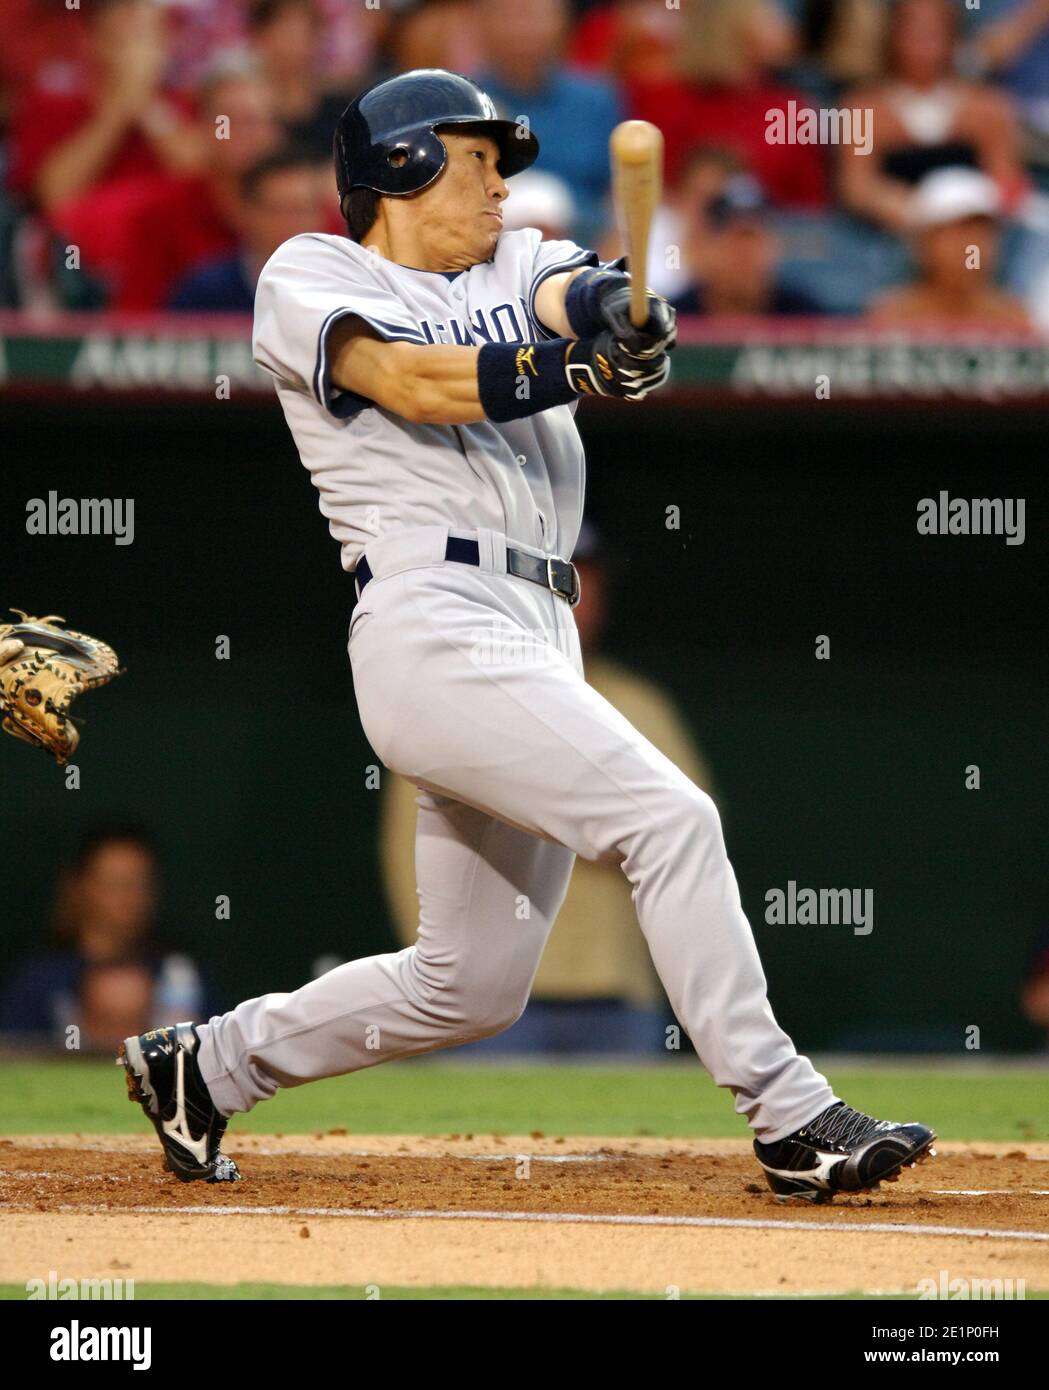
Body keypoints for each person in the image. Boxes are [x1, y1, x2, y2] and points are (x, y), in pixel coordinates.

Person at [118, 68, 935, 1205]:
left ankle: (205, 1065)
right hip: (429, 620)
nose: (498, 184)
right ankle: (788, 1114)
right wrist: (567, 367)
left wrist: (623, 323)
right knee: (670, 817)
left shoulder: (516, 257)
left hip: (534, 627)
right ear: (400, 165)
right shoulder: (308, 273)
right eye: (475, 160)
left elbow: (578, 300)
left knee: (469, 984)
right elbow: (408, 377)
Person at [380, 522, 716, 1055]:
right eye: (558, 581)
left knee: (627, 1139)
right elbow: (414, 849)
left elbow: (686, 842)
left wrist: (533, 814)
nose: (575, 598)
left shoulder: (639, 703)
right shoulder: (459, 692)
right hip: (490, 993)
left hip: (617, 992)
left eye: (587, 583)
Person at [0, 824, 212, 1054]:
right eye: (116, 884)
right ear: (79, 887)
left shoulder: (181, 975)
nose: (130, 898)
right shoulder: (41, 982)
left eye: (139, 883)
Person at [838, 0, 1027, 234]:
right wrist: (907, 209)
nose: (924, 45)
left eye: (934, 33)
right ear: (892, 35)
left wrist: (964, 210)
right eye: (913, 33)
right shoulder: (862, 108)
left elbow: (1005, 177)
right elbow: (856, 186)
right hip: (890, 237)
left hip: (971, 234)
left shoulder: (988, 107)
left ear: (953, 36)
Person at [471, 0, 623, 244]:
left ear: (563, 22)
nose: (523, 28)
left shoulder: (596, 99)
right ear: (481, 23)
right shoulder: (464, 102)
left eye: (534, 15)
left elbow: (616, 195)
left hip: (587, 249)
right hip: (491, 251)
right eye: (509, 15)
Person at [167, 145, 331, 311]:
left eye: (301, 209)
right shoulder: (205, 292)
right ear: (247, 213)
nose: (291, 222)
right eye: (277, 210)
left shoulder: (343, 287)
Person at [868, 166, 1032, 328]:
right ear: (923, 243)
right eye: (955, 234)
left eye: (980, 233)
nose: (970, 247)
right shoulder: (892, 316)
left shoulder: (1014, 318)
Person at [671, 171, 825, 316]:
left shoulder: (803, 317)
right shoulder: (675, 319)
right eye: (735, 242)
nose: (745, 255)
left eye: (754, 241)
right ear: (709, 247)